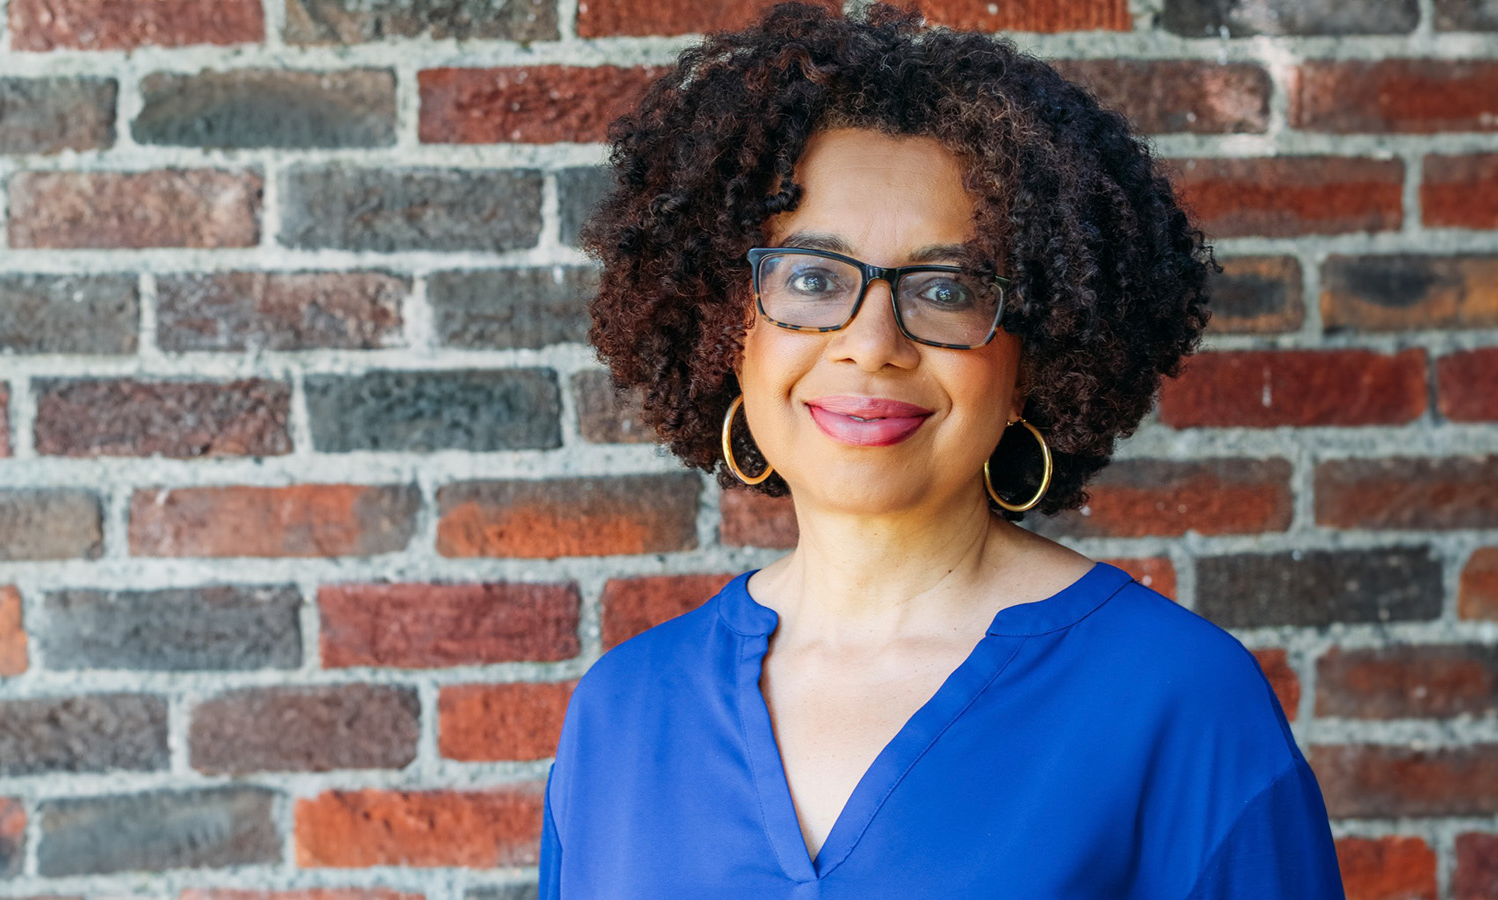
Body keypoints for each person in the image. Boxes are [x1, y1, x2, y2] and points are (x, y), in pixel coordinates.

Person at [539, 4, 1347, 897]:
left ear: (1034, 356)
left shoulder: (1180, 703)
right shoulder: (621, 714)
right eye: (811, 278)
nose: (872, 342)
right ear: (724, 328)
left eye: (946, 288)